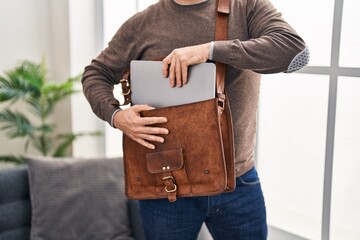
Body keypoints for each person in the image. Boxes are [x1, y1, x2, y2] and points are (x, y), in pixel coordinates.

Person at [82, 0, 309, 239]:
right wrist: (116, 116)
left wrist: (209, 50)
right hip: (165, 186)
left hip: (238, 182)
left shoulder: (246, 7)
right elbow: (96, 73)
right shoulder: (142, 24)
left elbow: (295, 52)